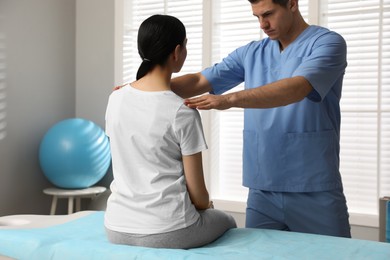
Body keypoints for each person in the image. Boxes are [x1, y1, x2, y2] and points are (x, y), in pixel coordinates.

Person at [171, 0, 351, 238]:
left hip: (314, 187)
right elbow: (198, 81)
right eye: (257, 17)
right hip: (262, 189)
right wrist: (143, 87)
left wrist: (229, 99)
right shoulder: (252, 53)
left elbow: (297, 87)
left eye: (268, 14)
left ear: (292, 4)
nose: (263, 24)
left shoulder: (327, 43)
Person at [104, 14, 236, 249]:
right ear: (177, 52)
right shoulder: (181, 111)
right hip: (169, 230)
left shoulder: (115, 98)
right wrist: (208, 206)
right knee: (227, 220)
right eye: (185, 46)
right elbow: (199, 197)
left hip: (116, 227)